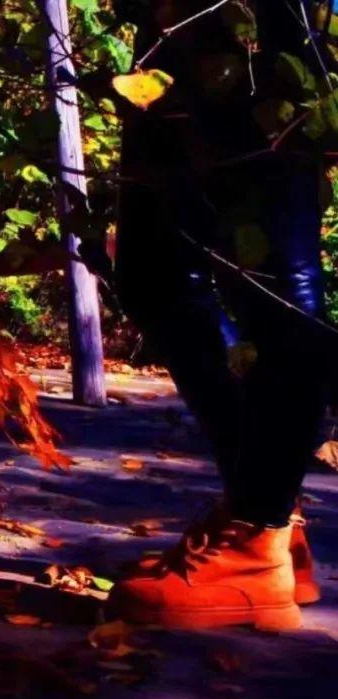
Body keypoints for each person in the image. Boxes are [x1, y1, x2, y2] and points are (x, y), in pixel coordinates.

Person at [109, 0, 332, 629]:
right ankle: (266, 510)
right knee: (152, 274)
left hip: (262, 32)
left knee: (276, 284)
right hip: (168, 32)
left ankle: (257, 540)